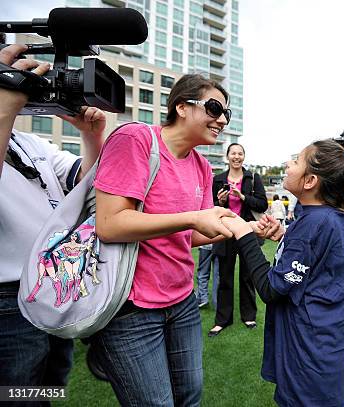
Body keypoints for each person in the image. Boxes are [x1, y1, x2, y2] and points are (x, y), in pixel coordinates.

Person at [91, 74, 236, 405]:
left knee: (190, 397)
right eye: (215, 108)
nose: (223, 120)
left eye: (228, 113)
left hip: (182, 300)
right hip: (130, 307)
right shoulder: (136, 138)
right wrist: (193, 217)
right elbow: (110, 224)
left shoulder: (201, 165)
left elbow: (192, 234)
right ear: (182, 107)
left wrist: (237, 228)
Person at [0, 40, 106, 397]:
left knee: (47, 388)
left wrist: (91, 139)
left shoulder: (27, 142)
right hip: (7, 299)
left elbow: (85, 186)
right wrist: (5, 103)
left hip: (49, 284)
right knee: (14, 394)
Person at [220, 139, 344, 407]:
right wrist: (286, 236)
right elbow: (317, 257)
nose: (287, 163)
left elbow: (271, 289)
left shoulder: (313, 224)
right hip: (322, 346)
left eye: (296, 161)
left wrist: (244, 233)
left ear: (310, 182)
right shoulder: (323, 217)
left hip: (308, 353)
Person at [208, 143, 268, 336]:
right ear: (227, 156)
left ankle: (248, 315)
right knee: (224, 277)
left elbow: (262, 204)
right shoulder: (218, 179)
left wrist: (242, 196)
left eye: (240, 153)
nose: (236, 157)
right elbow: (210, 206)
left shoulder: (252, 177)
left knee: (247, 276)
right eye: (233, 153)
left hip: (247, 231)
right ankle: (222, 320)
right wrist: (222, 202)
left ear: (244, 156)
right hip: (224, 232)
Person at [195, 243, 219, 308]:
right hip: (218, 245)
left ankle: (203, 298)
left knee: (203, 272)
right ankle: (216, 302)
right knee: (217, 275)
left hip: (206, 245)